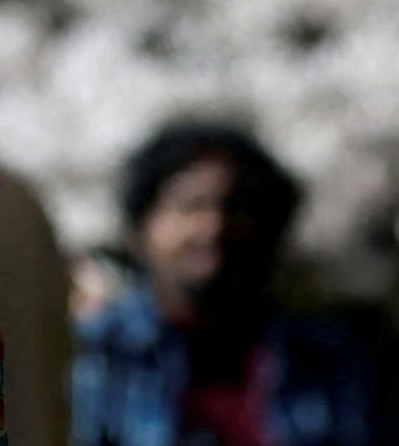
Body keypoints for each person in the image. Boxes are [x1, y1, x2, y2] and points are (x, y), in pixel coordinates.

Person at [70, 121, 376, 446]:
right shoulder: (92, 357)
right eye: (190, 206)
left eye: (236, 207)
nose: (212, 226)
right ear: (140, 230)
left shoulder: (325, 362)